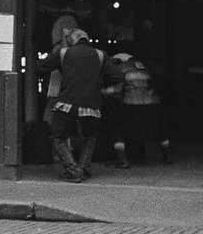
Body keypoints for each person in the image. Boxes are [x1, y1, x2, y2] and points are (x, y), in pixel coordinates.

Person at [47, 29, 118, 183]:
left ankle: (73, 170)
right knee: (90, 136)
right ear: (86, 38)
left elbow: (40, 66)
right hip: (91, 105)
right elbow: (117, 76)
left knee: (57, 137)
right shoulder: (100, 55)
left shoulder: (64, 53)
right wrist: (102, 87)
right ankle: (84, 169)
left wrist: (62, 68)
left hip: (67, 103)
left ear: (73, 39)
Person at [109, 53, 173, 167]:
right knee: (158, 130)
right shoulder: (143, 67)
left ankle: (122, 160)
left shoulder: (121, 68)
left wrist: (105, 91)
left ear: (118, 61)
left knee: (117, 129)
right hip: (151, 103)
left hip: (130, 103)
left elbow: (117, 90)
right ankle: (168, 156)